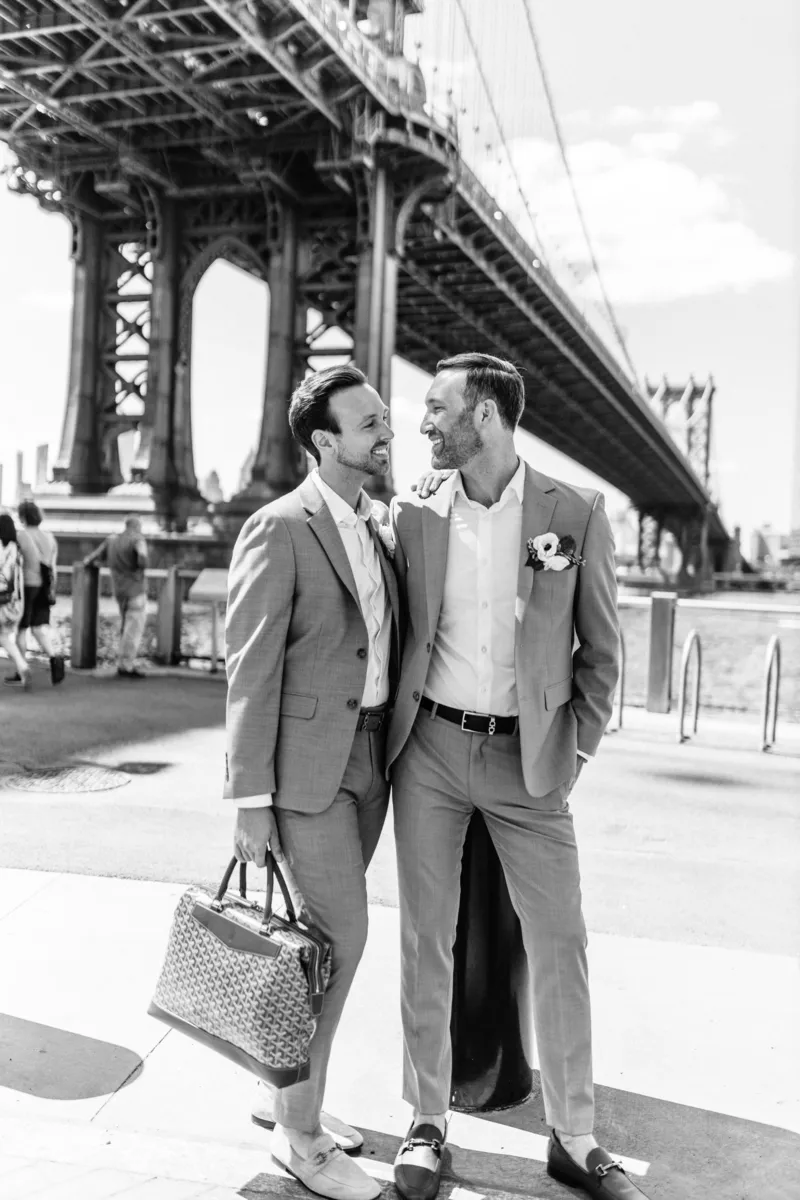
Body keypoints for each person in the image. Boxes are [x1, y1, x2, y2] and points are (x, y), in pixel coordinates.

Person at [388, 354, 647, 1200]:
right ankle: (426, 1125)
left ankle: (573, 1136)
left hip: (529, 765)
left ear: (488, 417)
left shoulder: (574, 512)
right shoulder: (412, 511)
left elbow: (603, 656)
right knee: (426, 938)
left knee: (562, 943)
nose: (422, 422)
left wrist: (572, 753)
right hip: (427, 751)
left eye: (437, 408)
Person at [226, 364, 399, 1200]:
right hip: (305, 774)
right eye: (369, 422)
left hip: (371, 762)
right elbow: (250, 670)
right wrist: (248, 800)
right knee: (341, 941)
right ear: (326, 441)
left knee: (317, 954)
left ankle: (285, 1091)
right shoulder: (278, 527)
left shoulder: (382, 525)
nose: (386, 429)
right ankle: (300, 1138)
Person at [6, 500, 65, 687]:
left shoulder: (22, 535)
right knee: (39, 627)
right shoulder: (49, 537)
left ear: (22, 516)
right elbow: (52, 566)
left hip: (28, 585)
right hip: (45, 587)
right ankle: (56, 659)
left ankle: (21, 670)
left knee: (22, 629)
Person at [83, 516, 149, 678]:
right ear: (137, 527)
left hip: (120, 592)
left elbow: (90, 559)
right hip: (136, 590)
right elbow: (143, 560)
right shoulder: (137, 539)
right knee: (133, 630)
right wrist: (141, 562)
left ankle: (122, 662)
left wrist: (94, 564)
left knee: (125, 627)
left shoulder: (111, 540)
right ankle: (126, 665)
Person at [0, 512, 32, 690]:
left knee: (4, 638)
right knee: (4, 637)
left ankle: (23, 666)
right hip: (15, 603)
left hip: (0, 602)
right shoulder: (17, 549)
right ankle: (23, 666)